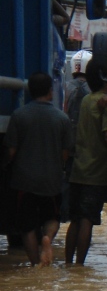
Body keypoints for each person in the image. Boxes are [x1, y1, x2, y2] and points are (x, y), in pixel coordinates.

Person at [2, 71, 74, 265]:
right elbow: (65, 153)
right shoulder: (61, 118)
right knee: (52, 218)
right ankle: (47, 239)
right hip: (51, 181)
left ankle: (35, 264)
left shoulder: (19, 116)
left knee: (27, 227)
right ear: (50, 92)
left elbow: (11, 152)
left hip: (24, 182)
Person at [65, 60, 107, 265]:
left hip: (79, 170)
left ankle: (68, 265)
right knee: (87, 220)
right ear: (105, 78)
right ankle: (79, 267)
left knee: (75, 219)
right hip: (96, 173)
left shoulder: (86, 100)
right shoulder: (105, 103)